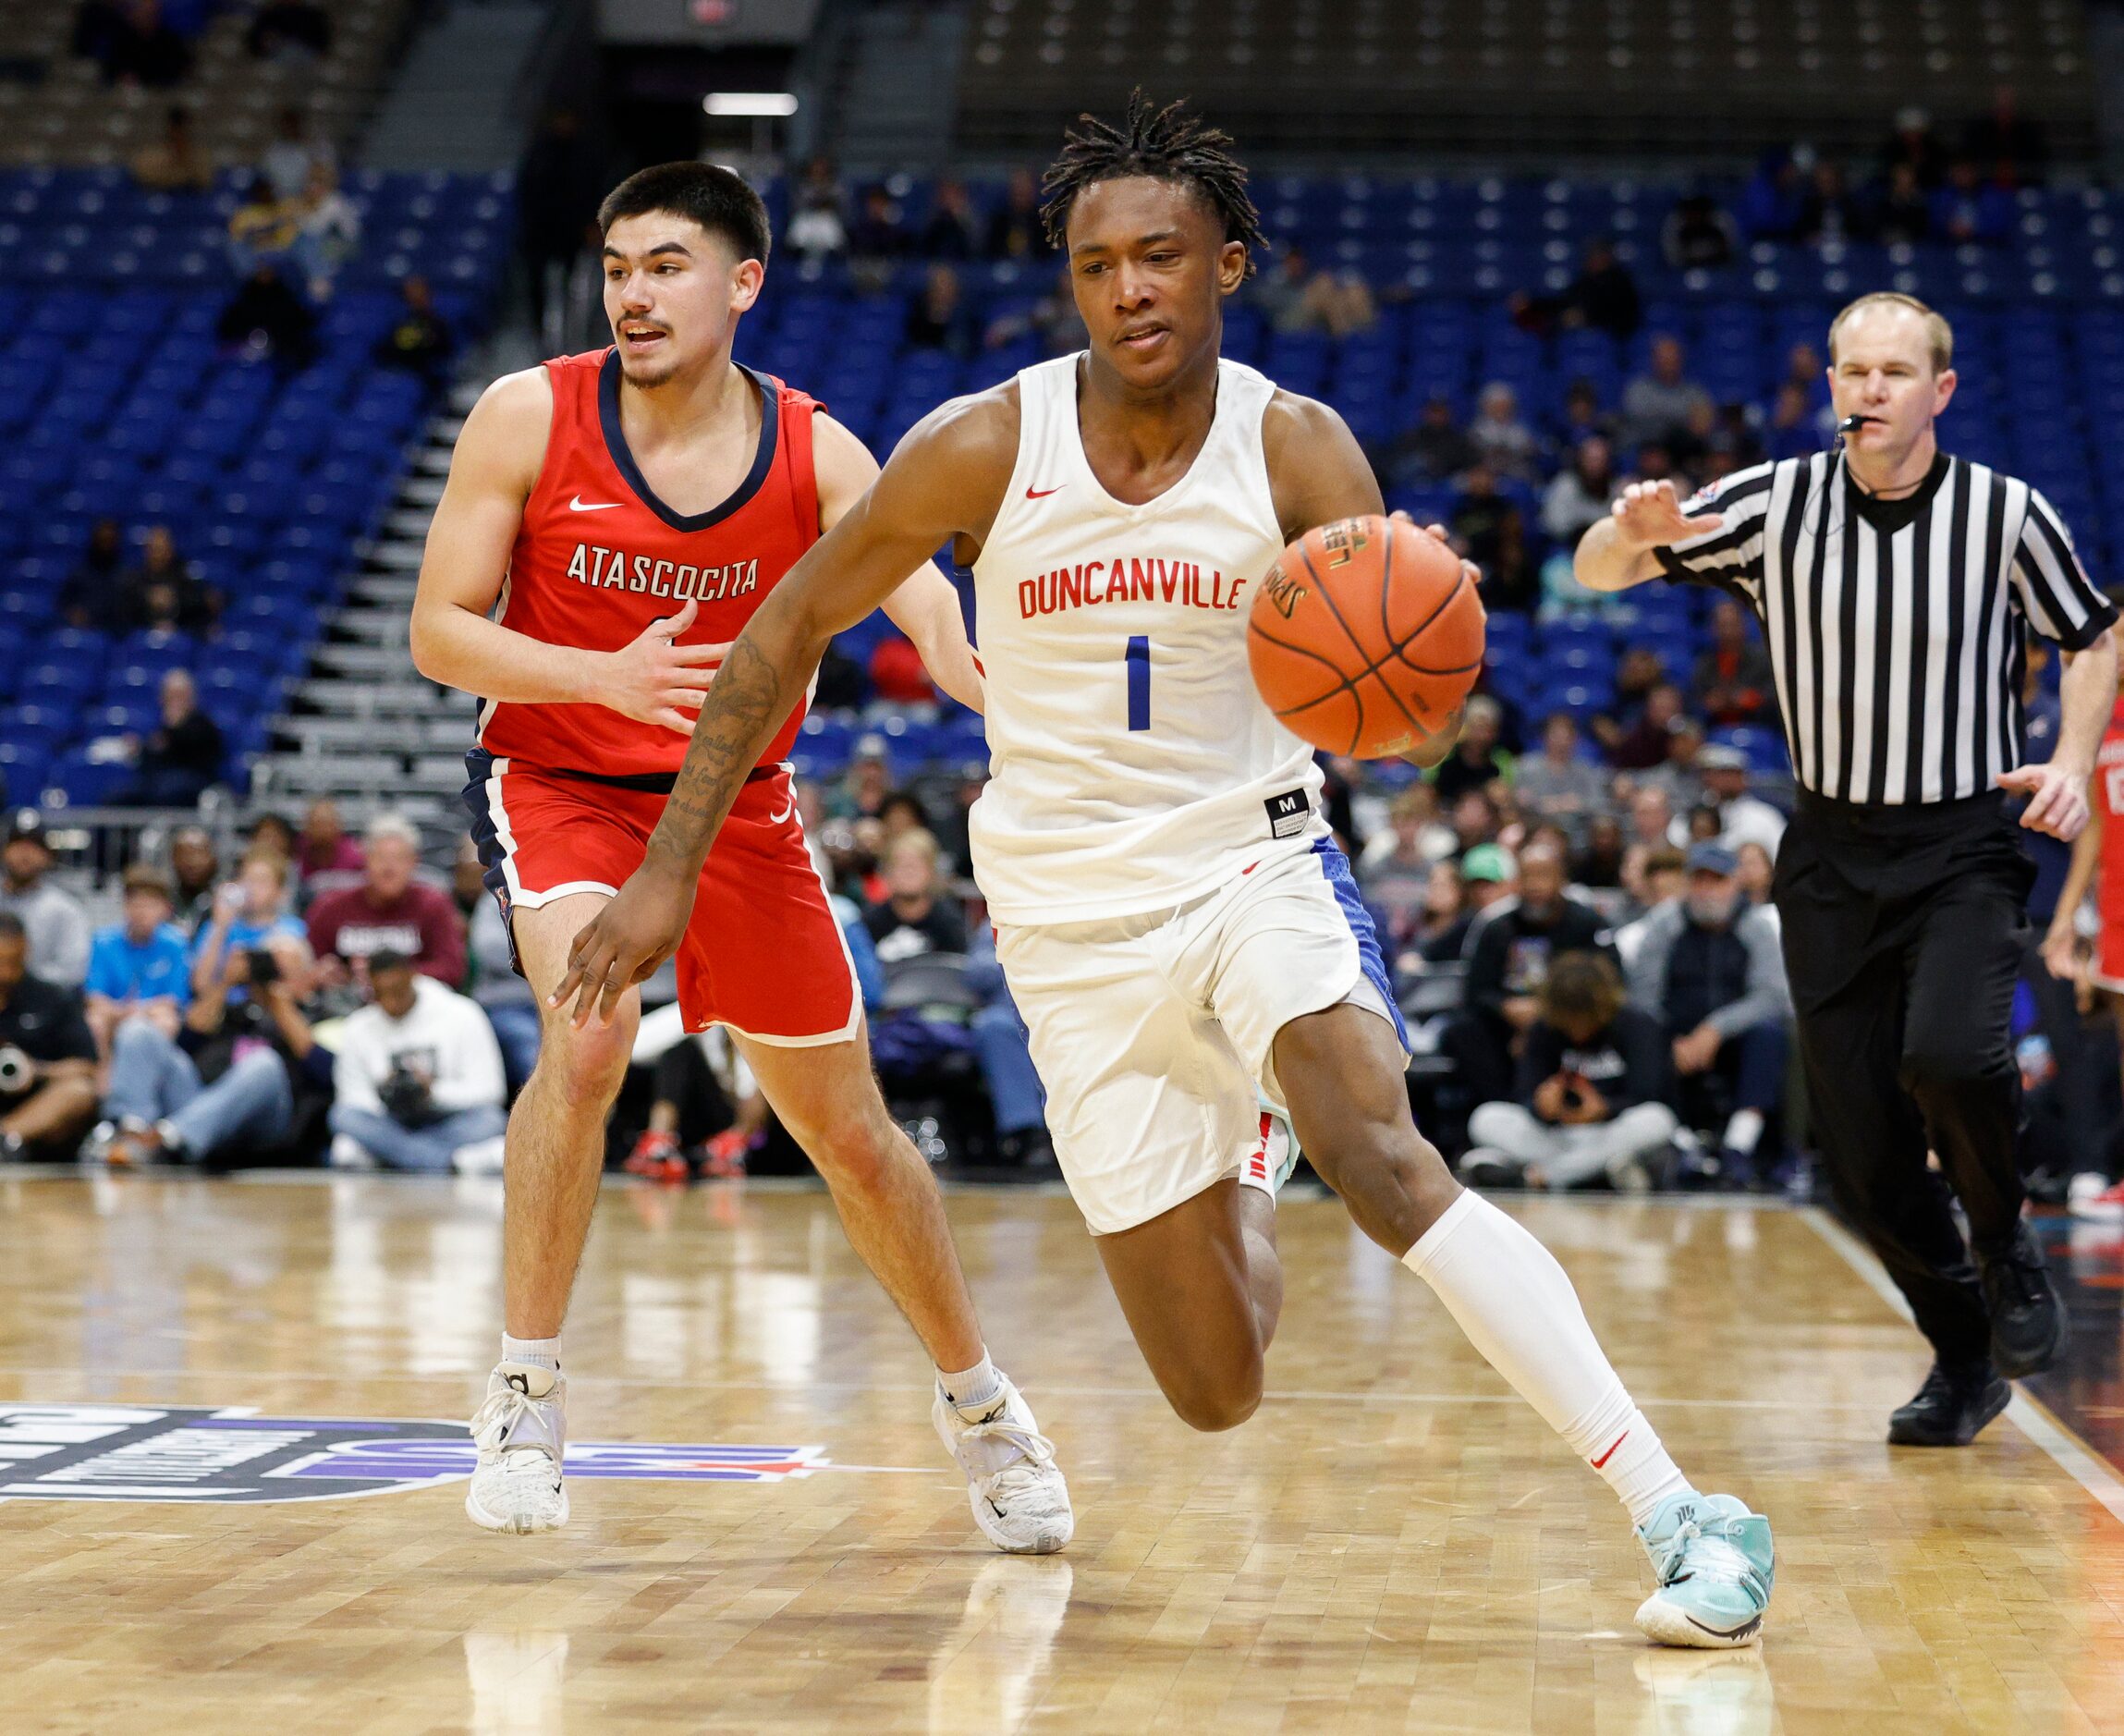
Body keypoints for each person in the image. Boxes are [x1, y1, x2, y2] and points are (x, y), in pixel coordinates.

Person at [558, 98, 1774, 1647]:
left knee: (1386, 1154)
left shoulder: (1293, 443)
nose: (1128, 286)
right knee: (1213, 1387)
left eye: (1159, 256)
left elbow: (1412, 729)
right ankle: (1242, 1152)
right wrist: (667, 867)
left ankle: (1681, 1514)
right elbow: (782, 630)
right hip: (1070, 933)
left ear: (1227, 267)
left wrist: (1419, 677)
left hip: (1249, 863)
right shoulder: (984, 444)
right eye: (1094, 264)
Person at [407, 160, 1070, 1548]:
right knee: (588, 1040)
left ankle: (982, 1405)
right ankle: (525, 1388)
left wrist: (977, 670)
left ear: (741, 282)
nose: (633, 293)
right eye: (616, 267)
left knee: (848, 1132)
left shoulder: (820, 452)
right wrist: (601, 680)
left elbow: (923, 596)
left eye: (665, 265)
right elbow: (440, 634)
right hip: (561, 781)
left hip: (743, 813)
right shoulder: (528, 413)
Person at [1576, 289, 2118, 1449]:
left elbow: (2093, 631)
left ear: (1940, 391)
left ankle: (2007, 1241)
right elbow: (1593, 575)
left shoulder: (2003, 515)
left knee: (1952, 1054)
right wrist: (1631, 528)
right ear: (1831, 385)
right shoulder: (1774, 505)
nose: (1868, 390)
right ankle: (1963, 1353)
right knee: (1859, 1151)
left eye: (1892, 371)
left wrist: (2073, 756)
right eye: (1849, 371)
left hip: (1964, 839)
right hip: (1829, 849)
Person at [1624, 842, 1791, 1183]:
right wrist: (1674, 1038)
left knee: (1771, 1034)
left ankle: (1739, 1145)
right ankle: (1679, 1143)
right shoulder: (1663, 925)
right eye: (1699, 881)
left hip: (1734, 1035)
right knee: (1639, 1032)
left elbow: (1771, 996)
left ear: (1734, 883)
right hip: (1674, 1034)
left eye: (1717, 881)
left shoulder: (1756, 927)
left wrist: (1715, 1029)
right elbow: (1643, 997)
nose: (1707, 890)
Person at [96, 931, 331, 1168]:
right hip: (199, 1101)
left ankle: (168, 1140)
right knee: (139, 1031)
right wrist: (224, 983)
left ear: (307, 976)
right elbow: (185, 1042)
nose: (271, 976)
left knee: (264, 1063)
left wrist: (279, 1003)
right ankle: (130, 1132)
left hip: (265, 1121)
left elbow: (325, 1072)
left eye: (283, 972)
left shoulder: (316, 1014)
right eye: (268, 967)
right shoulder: (235, 1010)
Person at [1460, 950, 1678, 1192]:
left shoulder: (1637, 1025)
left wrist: (1605, 1108)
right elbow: (1523, 1093)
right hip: (1555, 1137)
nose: (1577, 1029)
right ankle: (1594, 1173)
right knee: (1486, 1118)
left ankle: (1537, 1176)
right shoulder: (1542, 1029)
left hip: (1607, 1132)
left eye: (1584, 1019)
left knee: (1658, 1119)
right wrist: (1541, 1106)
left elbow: (1648, 1094)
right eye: (1569, 1020)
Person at [1454, 837, 1614, 1106]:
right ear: (1516, 881)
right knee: (1462, 1031)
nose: (1535, 885)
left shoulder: (1588, 924)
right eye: (1527, 876)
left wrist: (1547, 1013)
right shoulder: (1496, 927)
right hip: (1507, 1027)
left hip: (1571, 1023)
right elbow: (1476, 990)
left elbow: (1609, 984)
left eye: (1543, 876)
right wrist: (1507, 1008)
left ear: (1561, 879)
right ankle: (1501, 1105)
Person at [328, 951, 508, 1174]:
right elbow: (351, 1098)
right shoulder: (357, 1027)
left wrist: (432, 1092)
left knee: (492, 1120)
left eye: (397, 991)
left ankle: (396, 1160)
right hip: (390, 1123)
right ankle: (448, 1163)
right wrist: (385, 1094)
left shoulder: (463, 1013)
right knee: (342, 1117)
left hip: (447, 1119)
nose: (390, 1002)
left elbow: (491, 1092)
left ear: (413, 977)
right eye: (380, 994)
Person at [306, 814, 466, 988]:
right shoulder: (330, 906)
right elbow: (308, 967)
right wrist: (324, 973)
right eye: (380, 858)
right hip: (346, 1005)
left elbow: (452, 969)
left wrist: (393, 976)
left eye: (399, 858)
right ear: (365, 860)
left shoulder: (433, 905)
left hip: (414, 1005)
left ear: (414, 862)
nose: (389, 868)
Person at [0, 912, 98, 1162]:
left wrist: (36, 1070)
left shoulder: (52, 998)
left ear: (26, 951)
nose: (5, 972)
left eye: (13, 961)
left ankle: (7, 1136)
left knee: (78, 1092)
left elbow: (87, 1068)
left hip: (36, 1107)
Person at [83, 863, 191, 1057]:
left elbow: (173, 1000)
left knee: (167, 1021)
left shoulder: (176, 943)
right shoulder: (103, 941)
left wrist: (138, 1012)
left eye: (150, 905)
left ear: (166, 909)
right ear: (125, 905)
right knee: (95, 1020)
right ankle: (101, 1077)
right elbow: (94, 997)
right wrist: (121, 1012)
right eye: (135, 904)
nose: (141, 912)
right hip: (114, 1013)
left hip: (152, 1014)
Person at [190, 848, 306, 1001]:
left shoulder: (292, 928)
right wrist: (220, 927)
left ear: (280, 893)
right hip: (224, 1012)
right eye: (247, 879)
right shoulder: (216, 926)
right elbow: (200, 985)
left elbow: (299, 988)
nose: (252, 888)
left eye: (261, 881)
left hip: (269, 1012)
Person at [0, 812, 91, 990]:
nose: (25, 854)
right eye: (18, 844)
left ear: (49, 856)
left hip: (41, 1004)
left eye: (34, 846)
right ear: (4, 851)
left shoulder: (66, 909)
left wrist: (16, 978)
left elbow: (73, 971)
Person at [118, 669, 224, 807]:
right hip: (157, 781)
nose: (174, 701)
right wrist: (140, 749)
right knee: (121, 795)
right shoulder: (160, 726)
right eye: (170, 695)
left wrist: (176, 727)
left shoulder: (203, 724)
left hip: (192, 781)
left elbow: (199, 751)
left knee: (167, 791)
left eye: (179, 695)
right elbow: (152, 757)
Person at [864, 830, 968, 962]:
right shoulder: (870, 922)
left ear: (931, 872)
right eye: (901, 865)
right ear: (886, 873)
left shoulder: (950, 922)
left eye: (916, 865)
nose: (909, 872)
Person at [1514, 712, 1609, 847]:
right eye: (1556, 736)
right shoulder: (1527, 767)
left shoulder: (1586, 770)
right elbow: (1522, 801)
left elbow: (1598, 802)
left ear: (1575, 739)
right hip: (1538, 830)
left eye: (1566, 737)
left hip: (1579, 833)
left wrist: (1578, 804)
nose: (1561, 742)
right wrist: (1551, 804)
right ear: (1544, 738)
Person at [1619, 336, 1712, 457]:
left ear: (1681, 361)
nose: (1668, 364)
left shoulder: (1694, 392)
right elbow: (1639, 421)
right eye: (1663, 359)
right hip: (1645, 453)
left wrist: (1662, 419)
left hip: (1683, 454)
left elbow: (1702, 425)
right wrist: (1682, 421)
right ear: (1654, 361)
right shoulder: (1638, 389)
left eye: (1672, 359)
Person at [216, 263, 317, 371]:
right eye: (261, 272)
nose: (264, 275)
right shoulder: (243, 303)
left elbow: (302, 327)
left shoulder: (287, 302)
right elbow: (227, 331)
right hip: (245, 357)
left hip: (280, 359)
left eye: (267, 272)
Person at [1692, 599, 1776, 728]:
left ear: (1743, 625)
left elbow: (1774, 694)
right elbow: (1694, 700)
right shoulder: (1704, 663)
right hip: (1714, 731)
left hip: (1756, 726)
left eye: (1732, 625)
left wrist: (1749, 699)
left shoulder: (1762, 659)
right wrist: (1710, 703)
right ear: (1713, 629)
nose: (1728, 632)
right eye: (1722, 625)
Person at [1696, 746, 1786, 857]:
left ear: (1742, 776)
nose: (1717, 779)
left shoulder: (1764, 816)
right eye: (1710, 772)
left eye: (1726, 773)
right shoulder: (1696, 812)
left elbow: (1780, 859)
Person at [374, 275, 454, 387]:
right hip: (398, 371)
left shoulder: (438, 323)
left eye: (419, 292)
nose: (415, 296)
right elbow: (385, 349)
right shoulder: (398, 320)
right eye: (411, 292)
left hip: (424, 376)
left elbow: (444, 351)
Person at [1430, 693, 1510, 805]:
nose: (1481, 736)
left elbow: (1508, 794)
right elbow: (1427, 787)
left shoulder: (1502, 760)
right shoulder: (1443, 756)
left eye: (1488, 729)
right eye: (1478, 728)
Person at [1542, 436, 1617, 551]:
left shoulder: (1615, 489)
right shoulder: (1564, 485)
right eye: (1591, 460)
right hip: (1567, 550)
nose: (1595, 467)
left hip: (1605, 550)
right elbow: (1554, 526)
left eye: (1600, 460)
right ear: (1581, 460)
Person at [132, 104, 213, 192]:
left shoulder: (199, 156)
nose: (179, 133)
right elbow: (144, 177)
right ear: (169, 128)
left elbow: (205, 179)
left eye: (183, 128)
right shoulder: (151, 156)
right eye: (176, 128)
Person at [904, 264, 974, 357]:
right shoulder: (917, 316)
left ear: (956, 291)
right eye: (938, 286)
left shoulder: (966, 317)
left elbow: (966, 350)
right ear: (930, 291)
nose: (943, 291)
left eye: (947, 286)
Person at [296, 796, 364, 886]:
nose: (323, 829)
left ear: (339, 825)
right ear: (307, 827)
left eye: (327, 823)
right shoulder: (296, 853)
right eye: (317, 823)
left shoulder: (356, 858)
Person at [168, 825, 220, 932]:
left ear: (213, 859)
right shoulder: (163, 901)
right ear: (173, 859)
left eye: (199, 854)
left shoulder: (224, 900)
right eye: (184, 854)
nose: (192, 862)